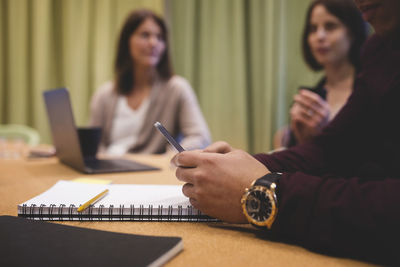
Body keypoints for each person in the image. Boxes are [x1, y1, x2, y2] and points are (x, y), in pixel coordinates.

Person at [172, 0, 400, 264]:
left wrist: (264, 191)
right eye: (313, 28)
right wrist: (242, 165)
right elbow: (331, 150)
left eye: (330, 26)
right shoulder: (381, 50)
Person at [89, 9, 211, 155]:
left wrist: (170, 156)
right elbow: (91, 143)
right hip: (108, 169)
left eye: (160, 37)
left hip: (151, 172)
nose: (153, 43)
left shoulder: (177, 88)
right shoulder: (104, 94)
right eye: (145, 35)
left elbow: (200, 137)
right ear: (127, 41)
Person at [274, 0, 367, 149]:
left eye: (330, 26)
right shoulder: (308, 98)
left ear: (352, 32)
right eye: (313, 29)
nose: (320, 36)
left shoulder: (373, 91)